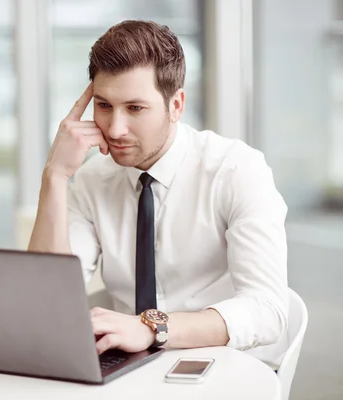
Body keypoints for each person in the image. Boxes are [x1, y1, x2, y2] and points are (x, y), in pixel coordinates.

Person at [28, 20, 288, 370]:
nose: (116, 129)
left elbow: (268, 311)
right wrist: (54, 176)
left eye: (135, 108)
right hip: (128, 369)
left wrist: (151, 328)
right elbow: (45, 302)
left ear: (176, 105)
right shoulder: (91, 180)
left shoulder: (236, 171)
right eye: (103, 105)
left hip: (225, 365)